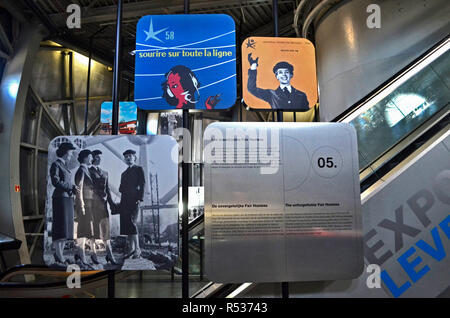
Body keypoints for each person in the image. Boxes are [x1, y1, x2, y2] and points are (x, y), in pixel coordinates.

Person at [50, 142, 78, 265]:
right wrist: (71, 186)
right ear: (66, 153)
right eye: (71, 153)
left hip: (67, 198)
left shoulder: (64, 165)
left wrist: (72, 189)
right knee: (60, 228)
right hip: (60, 198)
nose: (71, 156)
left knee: (65, 230)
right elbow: (55, 181)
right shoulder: (56, 164)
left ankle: (59, 255)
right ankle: (59, 256)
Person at [89, 150, 118, 265]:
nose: (100, 159)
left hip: (103, 206)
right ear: (93, 158)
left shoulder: (105, 173)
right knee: (93, 231)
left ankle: (110, 254)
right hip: (93, 205)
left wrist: (112, 205)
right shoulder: (88, 171)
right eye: (98, 157)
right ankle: (93, 255)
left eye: (101, 157)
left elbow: (108, 190)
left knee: (106, 231)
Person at [118, 149, 145, 259]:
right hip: (124, 201)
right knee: (127, 225)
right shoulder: (123, 173)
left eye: (130, 156)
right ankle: (131, 249)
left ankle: (137, 249)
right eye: (126, 156)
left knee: (132, 223)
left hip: (134, 200)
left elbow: (142, 184)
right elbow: (121, 188)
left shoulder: (139, 169)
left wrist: (140, 198)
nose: (128, 158)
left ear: (134, 157)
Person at [74, 149, 96, 268]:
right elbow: (79, 188)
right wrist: (81, 204)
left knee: (87, 229)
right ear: (85, 158)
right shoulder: (81, 170)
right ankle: (82, 256)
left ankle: (80, 255)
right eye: (90, 157)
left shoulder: (85, 169)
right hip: (84, 204)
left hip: (88, 204)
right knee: (83, 230)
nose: (92, 159)